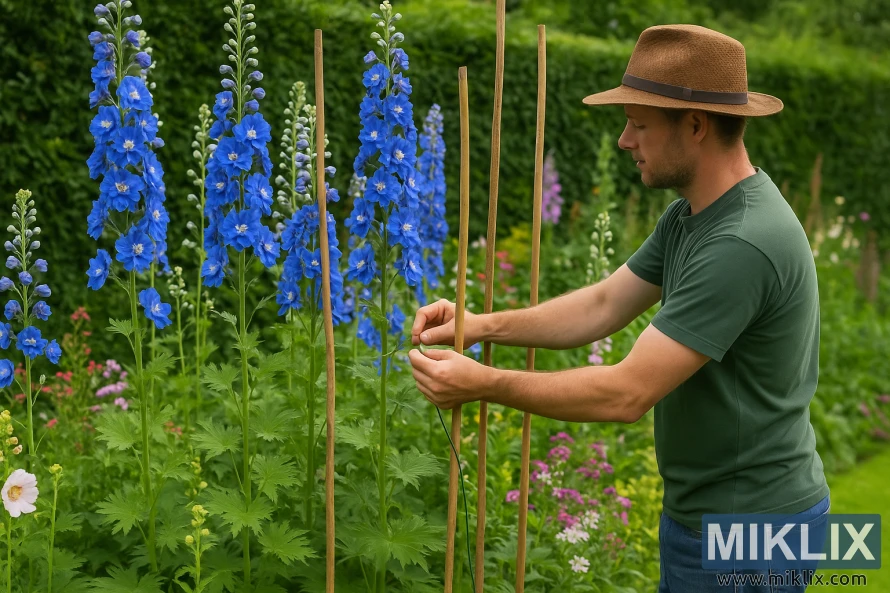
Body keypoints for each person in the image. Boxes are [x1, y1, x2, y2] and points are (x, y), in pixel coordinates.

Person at [408, 24, 830, 592]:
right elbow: (604, 304)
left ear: (697, 126)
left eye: (638, 124)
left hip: (748, 531)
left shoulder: (740, 243)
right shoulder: (695, 215)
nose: (623, 141)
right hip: (718, 518)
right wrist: (481, 326)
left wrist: (482, 383)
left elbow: (625, 394)